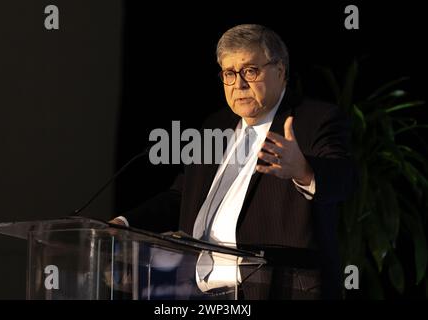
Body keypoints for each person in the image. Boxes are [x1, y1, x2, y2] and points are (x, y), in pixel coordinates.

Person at [111, 24, 356, 299]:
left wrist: (302, 170)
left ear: (280, 71)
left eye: (250, 71)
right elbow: (182, 196)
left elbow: (344, 181)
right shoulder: (214, 126)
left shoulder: (315, 119)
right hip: (200, 293)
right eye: (229, 73)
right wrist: (125, 223)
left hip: (277, 289)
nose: (238, 84)